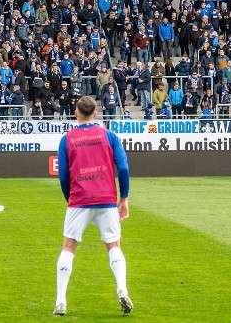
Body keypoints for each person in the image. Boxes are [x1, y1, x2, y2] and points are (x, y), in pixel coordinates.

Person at [54, 95, 132, 317]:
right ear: (95, 113)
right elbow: (124, 168)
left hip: (79, 200)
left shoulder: (66, 139)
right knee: (114, 246)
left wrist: (70, 198)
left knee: (68, 247)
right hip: (107, 200)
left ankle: (61, 300)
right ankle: (122, 289)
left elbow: (62, 176)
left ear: (76, 112)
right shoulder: (109, 136)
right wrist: (124, 198)